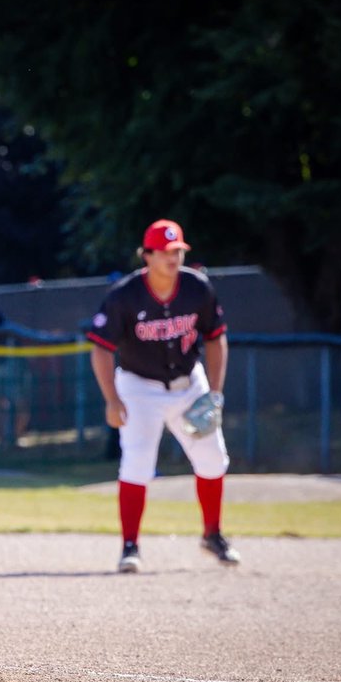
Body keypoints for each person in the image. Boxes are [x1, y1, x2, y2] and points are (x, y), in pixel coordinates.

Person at [84, 219, 240, 573]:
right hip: (139, 388)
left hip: (190, 384)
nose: (174, 257)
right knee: (137, 464)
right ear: (148, 256)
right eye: (167, 251)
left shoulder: (197, 288)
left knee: (213, 460)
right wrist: (112, 399)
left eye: (179, 251)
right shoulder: (124, 295)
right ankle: (130, 546)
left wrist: (214, 392)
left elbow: (216, 338)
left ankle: (212, 534)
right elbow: (101, 349)